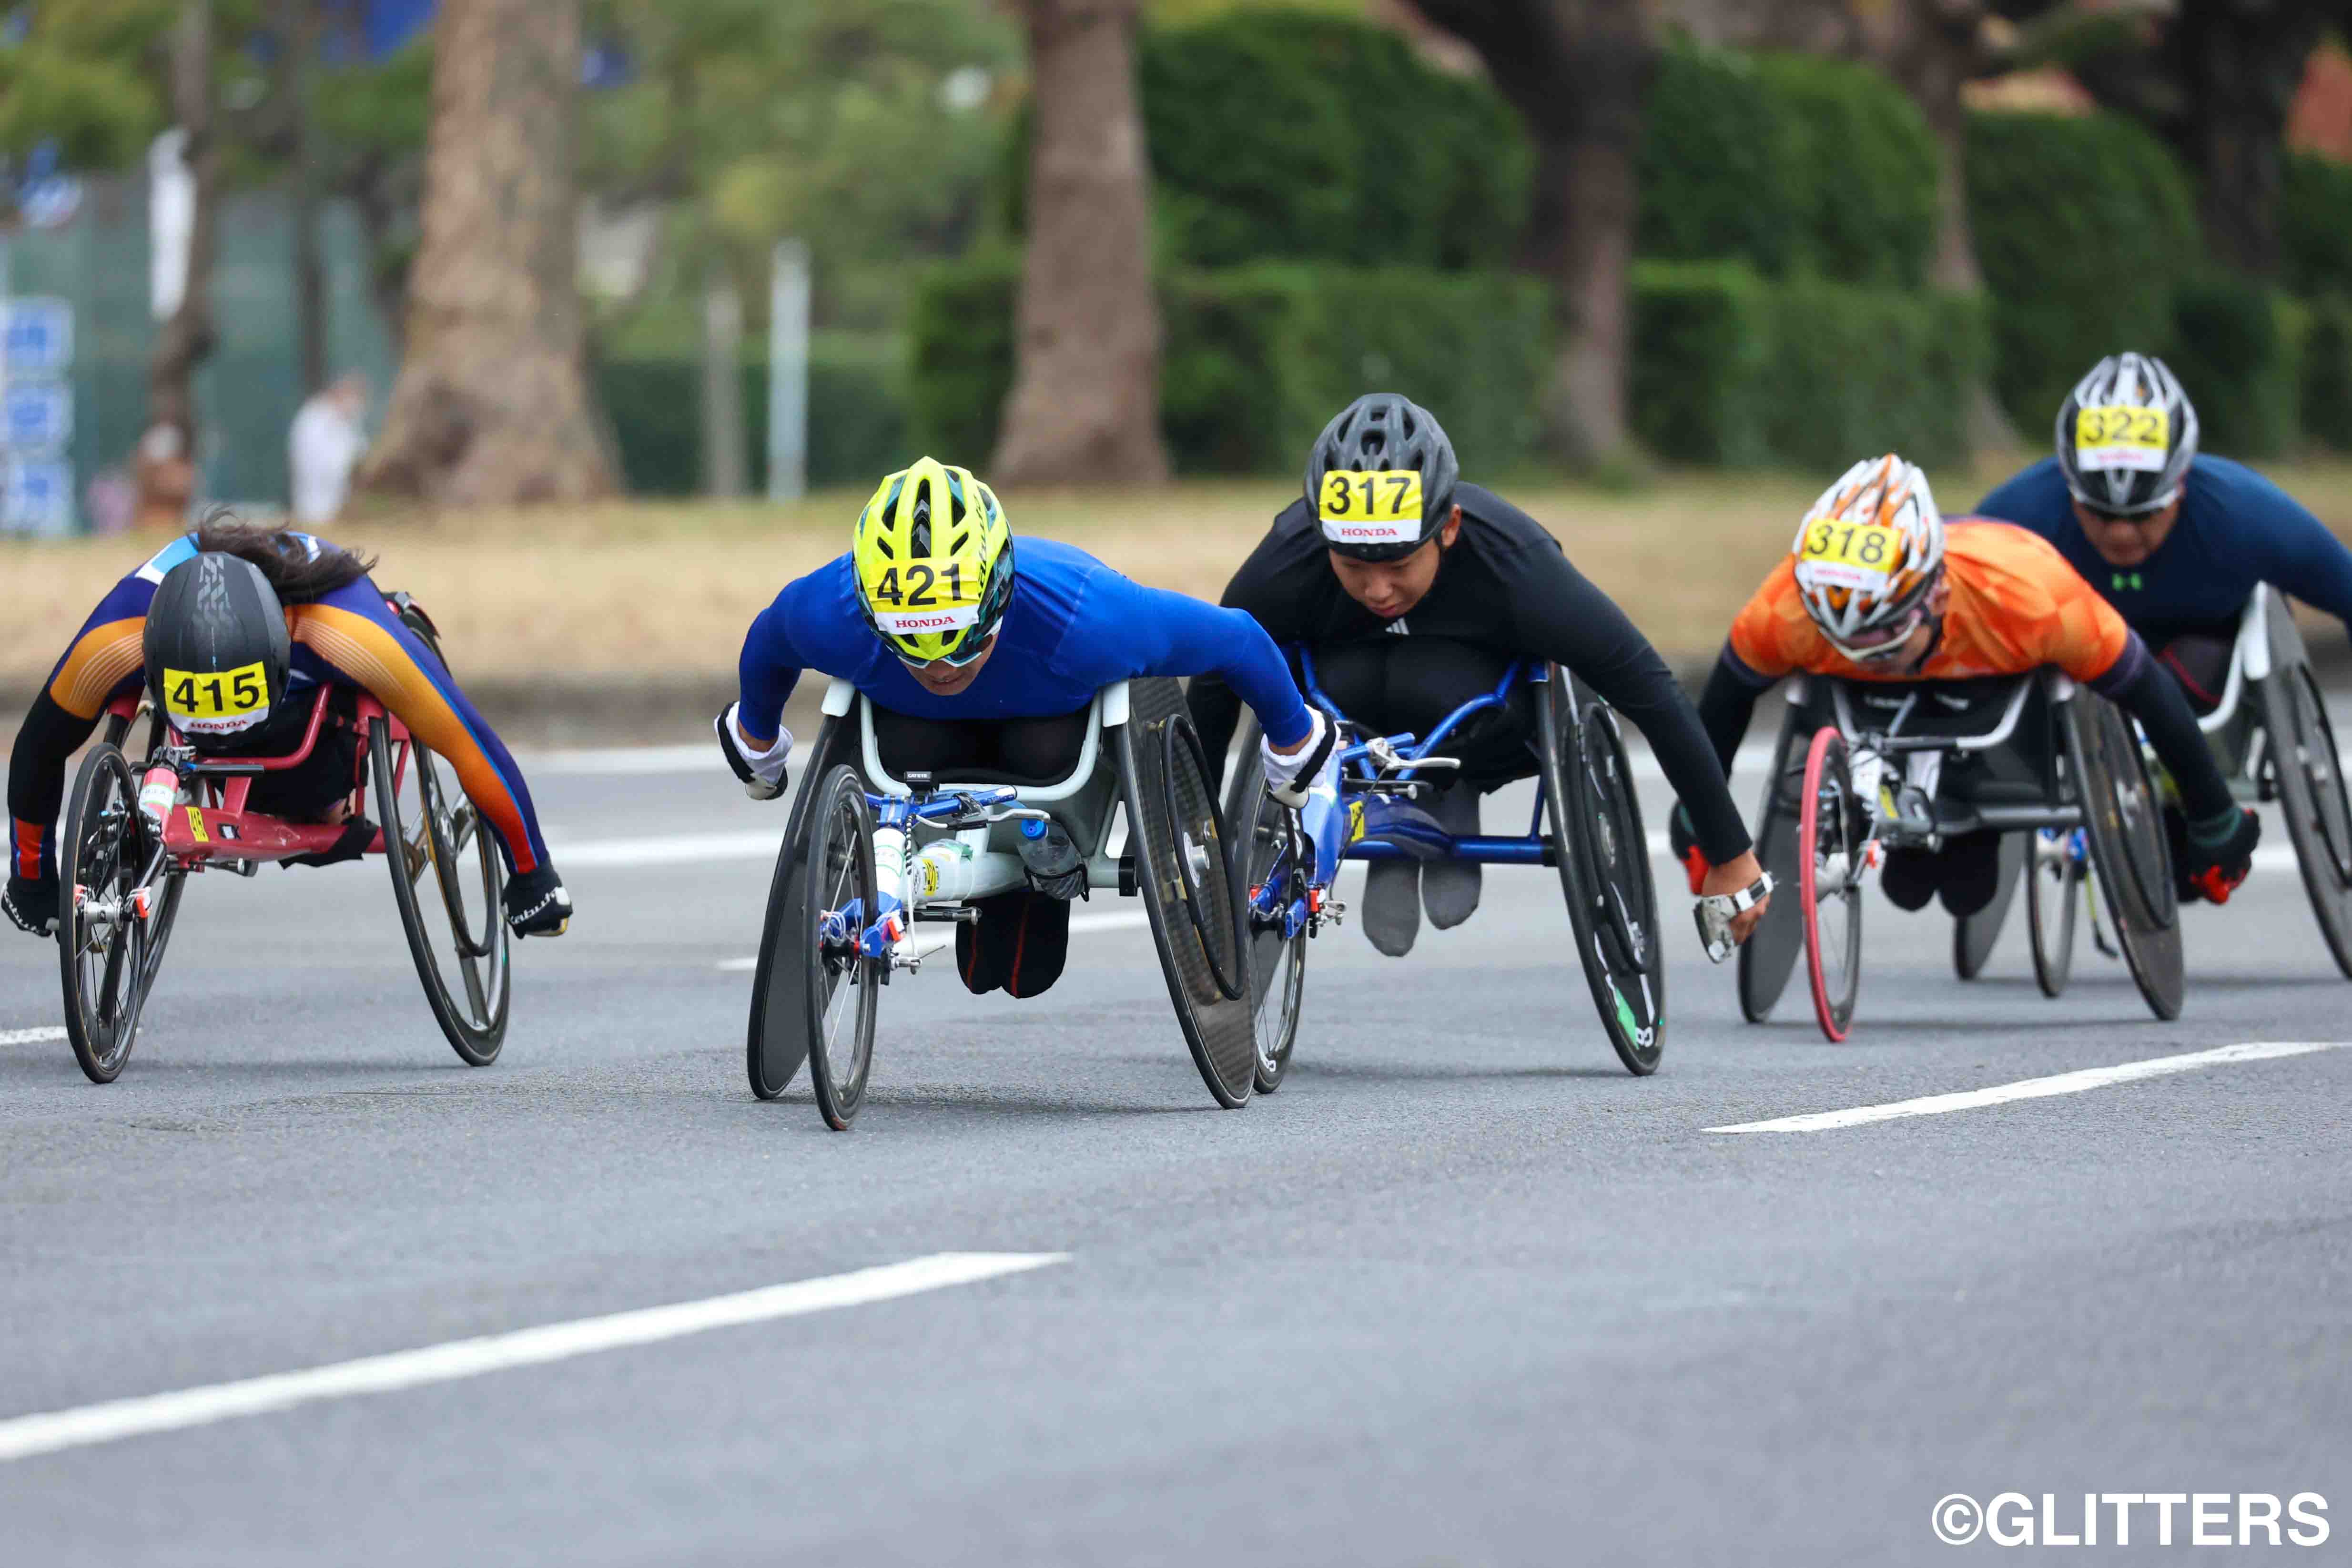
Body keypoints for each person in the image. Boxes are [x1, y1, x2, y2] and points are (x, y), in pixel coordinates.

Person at [717, 456, 1334, 999]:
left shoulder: (1089, 615)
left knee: (1037, 754)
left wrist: (1294, 738)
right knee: (913, 743)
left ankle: (1045, 862)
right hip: (920, 754)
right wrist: (757, 737)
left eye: (960, 644)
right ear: (872, 611)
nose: (938, 667)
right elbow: (770, 639)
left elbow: (1238, 639)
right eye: (912, 644)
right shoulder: (834, 608)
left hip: (1045, 754)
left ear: (1000, 597)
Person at [1190, 392, 1772, 959]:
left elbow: (1646, 688)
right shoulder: (1288, 559)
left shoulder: (1516, 561)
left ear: (1448, 528)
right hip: (1349, 723)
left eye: (1398, 565)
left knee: (1442, 680)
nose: (1377, 589)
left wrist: (1730, 851)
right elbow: (1216, 679)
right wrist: (1197, 833)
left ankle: (1446, 794)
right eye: (1352, 566)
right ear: (1324, 537)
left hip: (1483, 722)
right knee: (1293, 668)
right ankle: (1385, 814)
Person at [1684, 453, 2260, 912]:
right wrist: (1697, 821)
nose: (1865, 652)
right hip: (1876, 711)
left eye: (1883, 632)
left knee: (1962, 889)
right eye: (1839, 637)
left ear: (1934, 595)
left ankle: (1974, 829)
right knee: (1920, 891)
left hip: (2001, 693)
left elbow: (2148, 694)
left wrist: (2212, 814)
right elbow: (1723, 711)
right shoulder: (1785, 609)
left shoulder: (2032, 597)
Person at [4, 517, 571, 940]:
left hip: (305, 703)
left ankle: (377, 644)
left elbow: (467, 743)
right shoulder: (120, 635)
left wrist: (531, 872)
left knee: (327, 774)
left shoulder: (342, 631)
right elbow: (40, 745)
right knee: (74, 712)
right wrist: (31, 876)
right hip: (191, 704)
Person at [1975, 352, 2352, 716]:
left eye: (2145, 513)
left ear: (2182, 484)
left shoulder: (2247, 515)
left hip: (2202, 661)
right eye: (2099, 512)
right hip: (2075, 672)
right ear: (2069, 489)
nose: (2121, 533)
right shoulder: (2016, 519)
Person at [289, 373, 370, 526]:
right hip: (317, 507)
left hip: (340, 507)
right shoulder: (314, 420)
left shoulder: (346, 423)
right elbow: (322, 465)